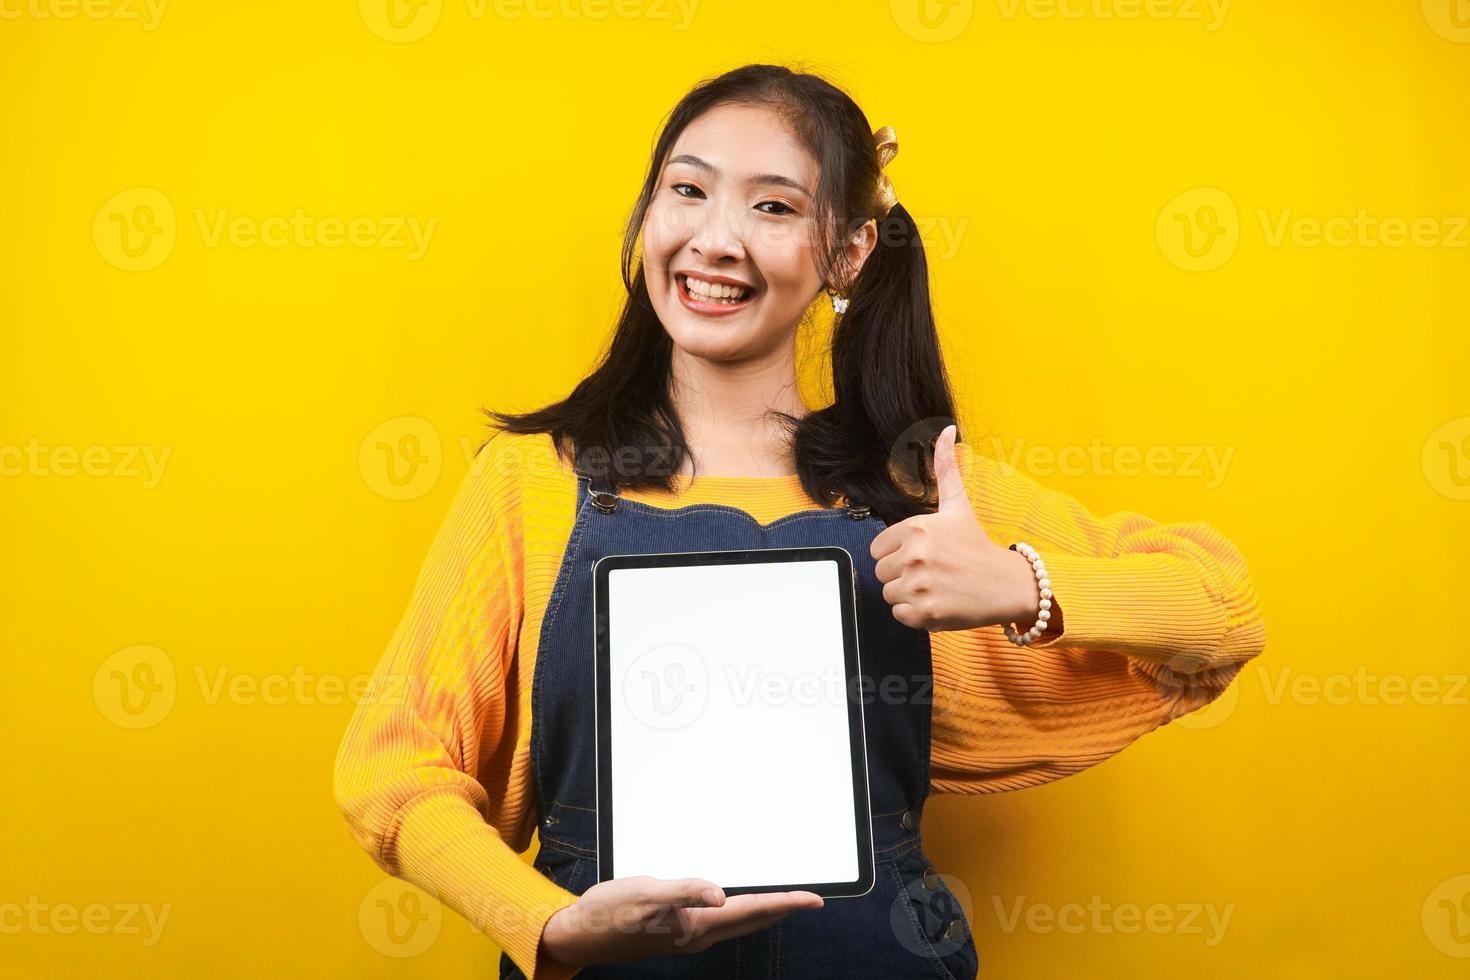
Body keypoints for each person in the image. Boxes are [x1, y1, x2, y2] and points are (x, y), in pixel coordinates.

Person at [333, 63, 1267, 980]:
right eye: (687, 191)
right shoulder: (533, 484)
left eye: (772, 207)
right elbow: (394, 771)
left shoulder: (922, 491)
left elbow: (1227, 606)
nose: (714, 239)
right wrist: (550, 925)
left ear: (849, 253)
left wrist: (1020, 584)